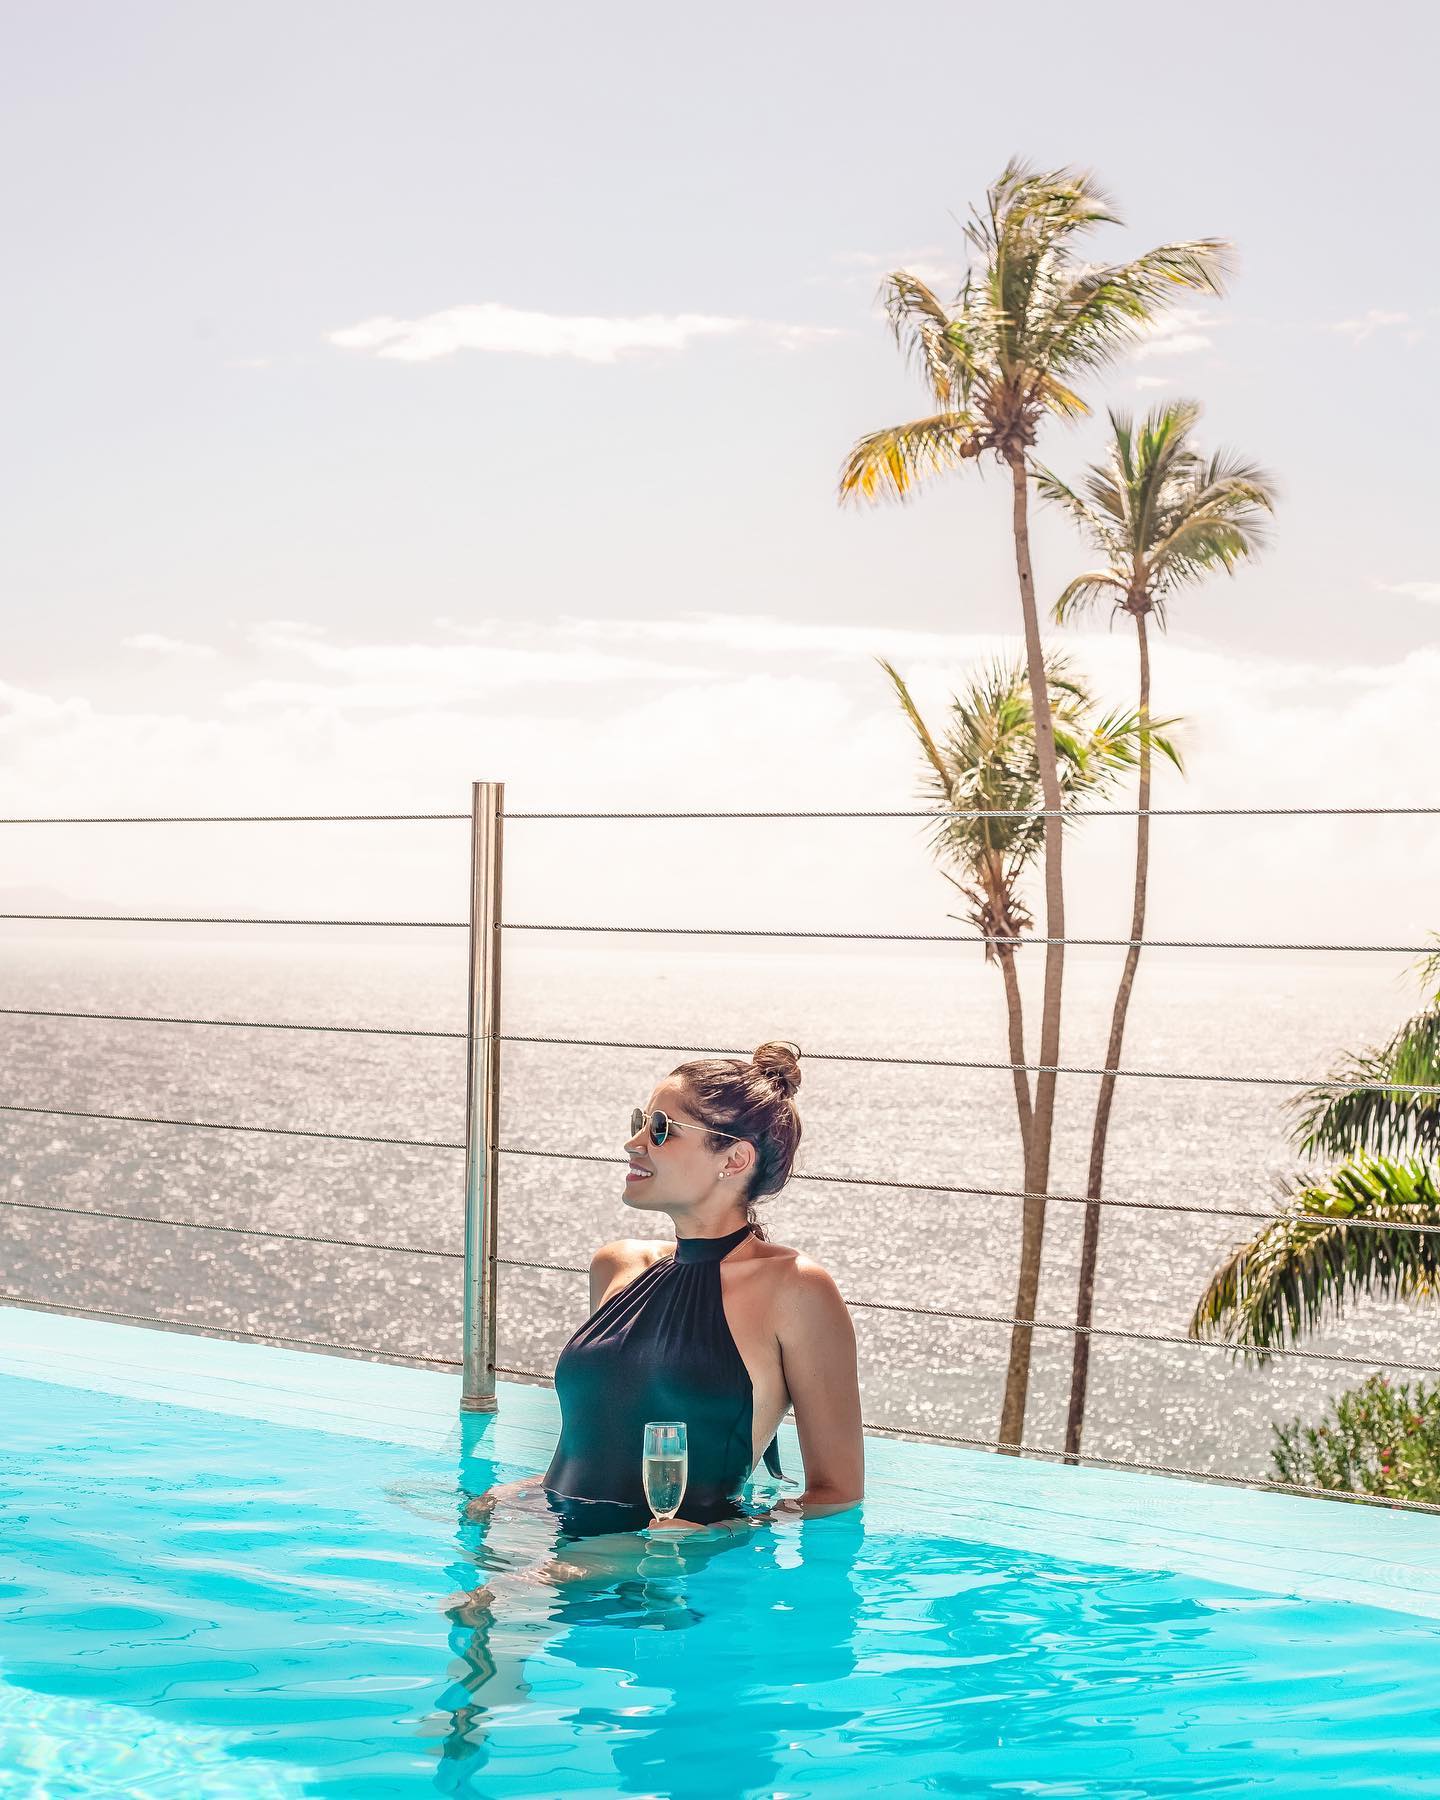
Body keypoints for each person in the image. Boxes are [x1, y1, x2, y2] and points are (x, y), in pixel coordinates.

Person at [469, 1039, 864, 1547]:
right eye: (640, 1121)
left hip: (672, 1564)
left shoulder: (796, 1288)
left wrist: (720, 1535)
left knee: (497, 1598)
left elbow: (837, 1492)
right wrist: (523, 1493)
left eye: (661, 1129)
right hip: (556, 1531)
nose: (634, 1142)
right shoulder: (616, 1265)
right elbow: (606, 1440)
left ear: (735, 1158)